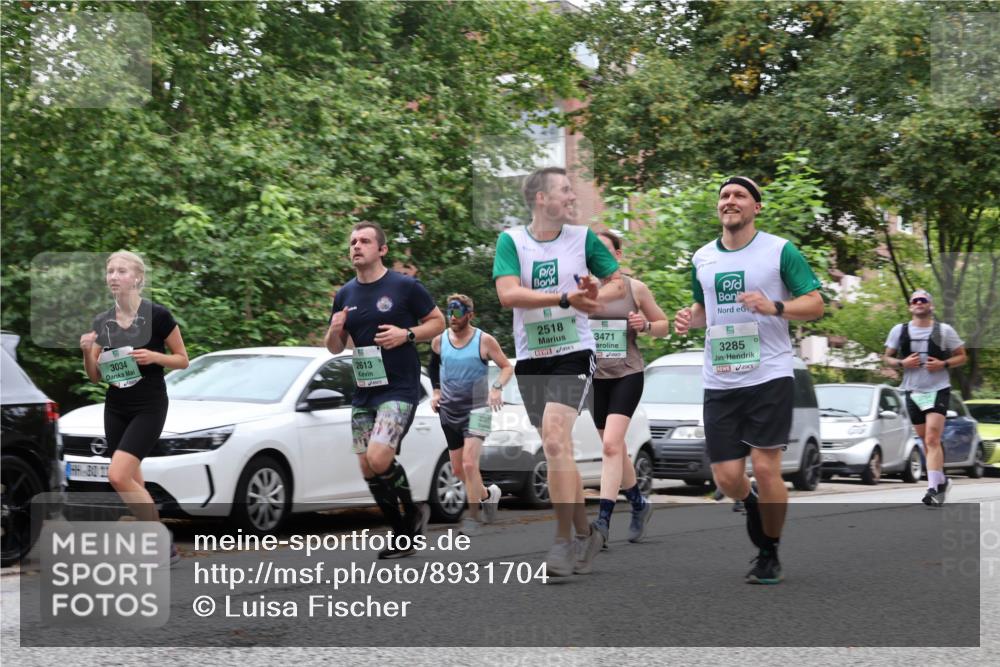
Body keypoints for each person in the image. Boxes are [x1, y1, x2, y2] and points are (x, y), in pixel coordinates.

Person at [674, 176, 824, 585]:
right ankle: (754, 504)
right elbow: (703, 310)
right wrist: (690, 318)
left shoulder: (780, 251)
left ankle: (768, 551)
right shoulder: (703, 257)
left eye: (740, 195)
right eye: (724, 195)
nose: (730, 201)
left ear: (757, 206)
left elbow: (815, 304)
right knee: (725, 477)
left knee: (765, 465)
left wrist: (775, 306)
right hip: (720, 378)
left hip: (769, 373)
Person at [493, 166, 625, 576]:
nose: (572, 197)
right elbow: (507, 294)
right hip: (532, 356)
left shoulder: (583, 238)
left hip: (574, 351)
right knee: (557, 449)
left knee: (553, 440)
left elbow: (619, 283)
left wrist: (594, 295)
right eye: (564, 190)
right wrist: (566, 297)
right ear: (541, 198)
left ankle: (562, 543)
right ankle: (585, 532)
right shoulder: (511, 240)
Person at [324, 222, 446, 559]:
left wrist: (405, 334)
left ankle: (413, 515)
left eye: (364, 241)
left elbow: (438, 322)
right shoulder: (345, 294)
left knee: (380, 458)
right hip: (365, 390)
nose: (356, 246)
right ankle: (402, 530)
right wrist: (334, 330)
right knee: (366, 466)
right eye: (352, 242)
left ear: (382, 249)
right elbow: (336, 348)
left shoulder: (405, 287)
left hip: (400, 388)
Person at [80, 251, 189, 565]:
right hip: (116, 407)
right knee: (133, 482)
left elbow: (183, 359)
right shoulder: (103, 321)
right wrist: (88, 352)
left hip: (149, 405)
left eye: (121, 271)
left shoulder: (158, 315)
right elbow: (95, 374)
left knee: (117, 475)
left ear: (138, 278)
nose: (113, 276)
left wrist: (155, 357)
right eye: (110, 271)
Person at [588, 230, 669, 544]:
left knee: (610, 445)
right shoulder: (584, 291)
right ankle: (638, 502)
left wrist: (646, 325)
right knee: (614, 448)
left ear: (618, 256)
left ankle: (603, 521)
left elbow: (662, 324)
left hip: (627, 373)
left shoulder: (635, 288)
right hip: (595, 378)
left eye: (606, 252)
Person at [429, 294, 513, 536]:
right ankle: (489, 494)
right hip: (450, 410)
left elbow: (507, 367)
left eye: (457, 312)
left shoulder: (484, 341)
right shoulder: (439, 341)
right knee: (457, 470)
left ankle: (473, 517)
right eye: (449, 312)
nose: (452, 318)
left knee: (469, 463)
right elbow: (433, 365)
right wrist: (436, 392)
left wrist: (496, 388)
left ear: (469, 315)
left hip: (478, 410)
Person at [883, 289, 966, 506]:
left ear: (931, 306)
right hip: (912, 391)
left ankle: (932, 489)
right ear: (911, 306)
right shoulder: (898, 330)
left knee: (931, 438)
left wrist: (943, 364)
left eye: (924, 300)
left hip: (938, 388)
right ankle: (942, 482)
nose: (919, 303)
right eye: (915, 300)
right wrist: (901, 363)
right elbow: (887, 358)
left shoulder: (944, 331)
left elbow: (961, 356)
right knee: (925, 441)